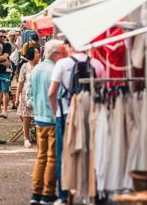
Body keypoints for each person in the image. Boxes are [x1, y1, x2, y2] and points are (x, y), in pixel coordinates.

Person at [48, 41, 106, 204]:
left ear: (71, 46)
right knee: (92, 152)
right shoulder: (97, 63)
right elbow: (103, 88)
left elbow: (51, 93)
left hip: (66, 113)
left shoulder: (62, 64)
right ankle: (93, 193)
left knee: (64, 155)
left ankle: (64, 194)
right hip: (91, 113)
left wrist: (55, 113)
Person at [30, 40, 67, 205]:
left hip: (39, 117)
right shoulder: (54, 70)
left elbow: (31, 93)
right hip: (51, 117)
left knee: (41, 157)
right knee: (52, 157)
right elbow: (55, 95)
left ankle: (36, 192)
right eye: (61, 53)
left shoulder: (36, 69)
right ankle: (47, 193)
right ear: (55, 54)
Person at [15, 47, 41, 148]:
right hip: (26, 95)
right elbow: (20, 82)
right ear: (32, 55)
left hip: (38, 95)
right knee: (26, 117)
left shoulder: (41, 66)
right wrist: (17, 97)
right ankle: (26, 138)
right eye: (37, 53)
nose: (39, 54)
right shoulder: (25, 66)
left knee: (38, 117)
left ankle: (39, 138)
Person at [0, 29, 12, 119]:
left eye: (4, 36)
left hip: (5, 72)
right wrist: (1, 61)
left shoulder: (7, 45)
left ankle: (5, 111)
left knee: (5, 91)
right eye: (1, 36)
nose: (2, 38)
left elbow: (5, 57)